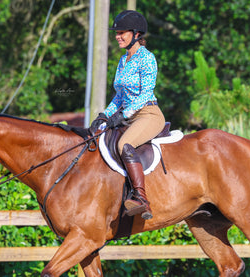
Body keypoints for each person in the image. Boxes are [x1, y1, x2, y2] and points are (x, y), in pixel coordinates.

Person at [90, 10, 165, 220]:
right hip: (127, 114)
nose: (117, 36)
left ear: (136, 33)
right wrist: (104, 115)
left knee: (124, 144)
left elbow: (147, 92)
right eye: (116, 32)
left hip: (147, 113)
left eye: (122, 32)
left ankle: (141, 198)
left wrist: (126, 113)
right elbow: (119, 96)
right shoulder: (123, 61)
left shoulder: (147, 58)